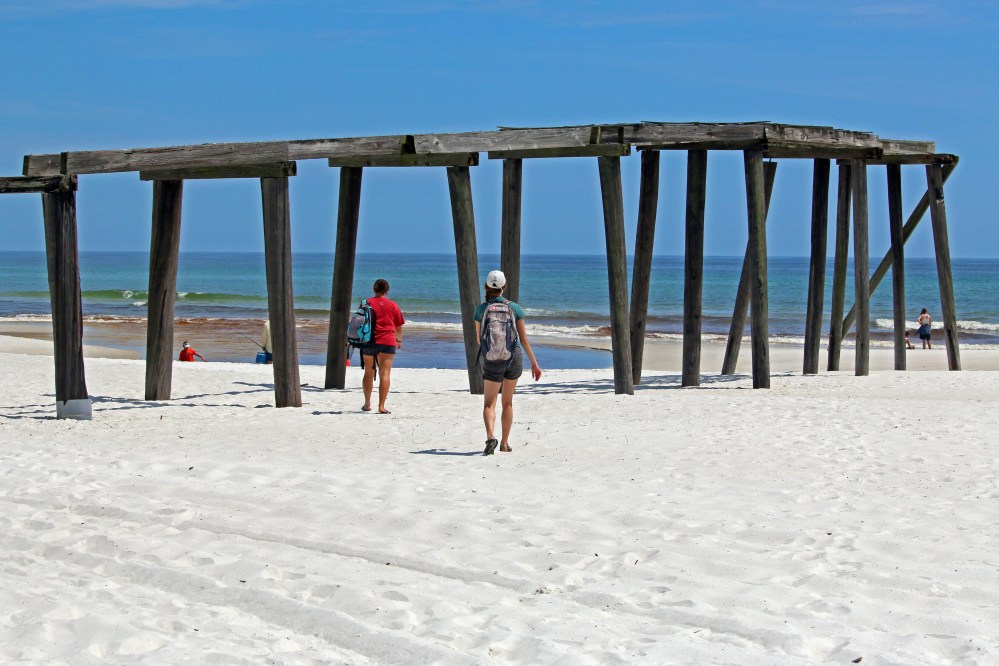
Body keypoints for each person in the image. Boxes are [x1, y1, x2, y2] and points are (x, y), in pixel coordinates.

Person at [473, 270, 542, 455]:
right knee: (508, 402)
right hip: (514, 358)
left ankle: (490, 437)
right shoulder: (515, 308)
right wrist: (534, 364)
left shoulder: (481, 309)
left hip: (492, 359)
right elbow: (524, 340)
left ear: (486, 287)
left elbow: (480, 340)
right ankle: (504, 444)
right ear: (504, 287)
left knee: (489, 404)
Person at [361, 279, 405, 414]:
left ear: (374, 290)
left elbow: (359, 321)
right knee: (385, 373)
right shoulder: (393, 305)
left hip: (369, 341)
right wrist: (399, 340)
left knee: (368, 372)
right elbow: (398, 326)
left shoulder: (366, 303)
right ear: (387, 290)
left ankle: (367, 403)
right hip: (387, 341)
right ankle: (381, 406)